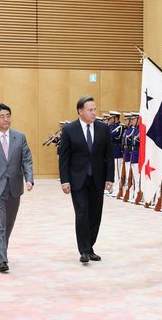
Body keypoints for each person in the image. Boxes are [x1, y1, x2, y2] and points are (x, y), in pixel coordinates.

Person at [0, 103, 34, 273]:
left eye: (8, 115)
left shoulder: (20, 137)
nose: (6, 119)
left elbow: (27, 159)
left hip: (14, 187)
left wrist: (29, 178)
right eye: (2, 116)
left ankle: (2, 249)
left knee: (8, 223)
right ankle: (2, 258)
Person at [58, 96, 114, 264]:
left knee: (95, 214)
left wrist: (110, 178)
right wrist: (65, 180)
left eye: (95, 109)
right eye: (90, 110)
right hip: (78, 179)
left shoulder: (103, 129)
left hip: (97, 179)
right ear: (80, 111)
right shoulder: (69, 130)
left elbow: (109, 156)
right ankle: (83, 251)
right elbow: (64, 158)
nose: (94, 113)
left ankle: (90, 247)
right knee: (82, 213)